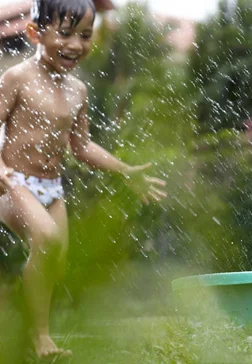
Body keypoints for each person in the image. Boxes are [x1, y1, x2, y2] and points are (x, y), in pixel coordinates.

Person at [0, 0, 167, 359]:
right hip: (13, 182)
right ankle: (39, 337)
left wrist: (124, 171)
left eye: (85, 35)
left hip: (52, 188)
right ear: (35, 33)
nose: (75, 44)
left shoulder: (78, 90)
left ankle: (14, 304)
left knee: (57, 262)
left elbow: (82, 146)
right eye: (64, 33)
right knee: (45, 240)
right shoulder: (16, 78)